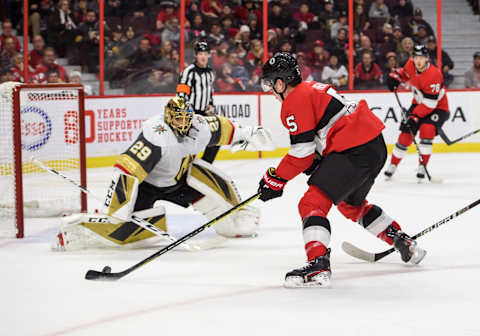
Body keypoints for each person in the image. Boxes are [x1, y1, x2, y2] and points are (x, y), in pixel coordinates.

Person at [258, 52, 426, 288]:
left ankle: (318, 265)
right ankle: (401, 240)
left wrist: (275, 179)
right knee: (351, 206)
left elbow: (302, 154)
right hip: (374, 145)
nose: (270, 91)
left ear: (280, 82)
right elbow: (318, 144)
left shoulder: (293, 101)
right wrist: (315, 164)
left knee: (310, 204)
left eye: (269, 84)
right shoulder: (312, 88)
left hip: (353, 148)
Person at [52, 96, 273, 251]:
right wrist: (116, 208)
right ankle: (77, 229)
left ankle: (234, 217)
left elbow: (223, 128)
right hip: (147, 185)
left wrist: (248, 133)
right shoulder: (156, 133)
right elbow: (127, 168)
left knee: (228, 214)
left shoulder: (199, 125)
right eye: (178, 119)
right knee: (126, 233)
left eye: (187, 117)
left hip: (182, 179)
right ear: (168, 118)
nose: (184, 123)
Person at [385, 45, 449, 181]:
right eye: (416, 57)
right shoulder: (411, 64)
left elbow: (430, 104)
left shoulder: (435, 74)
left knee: (427, 129)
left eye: (422, 58)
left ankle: (422, 165)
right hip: (418, 104)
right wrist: (395, 77)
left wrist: (414, 116)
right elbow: (404, 73)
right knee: (405, 135)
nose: (418, 61)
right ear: (412, 58)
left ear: (427, 59)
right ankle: (392, 165)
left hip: (438, 107)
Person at [176, 41, 218, 163]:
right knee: (189, 145)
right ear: (196, 55)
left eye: (205, 54)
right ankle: (183, 169)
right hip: (190, 114)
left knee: (215, 138)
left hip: (204, 114)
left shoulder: (210, 73)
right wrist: (187, 115)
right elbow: (181, 95)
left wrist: (211, 105)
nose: (203, 56)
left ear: (209, 55)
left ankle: (205, 166)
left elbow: (209, 92)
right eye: (200, 54)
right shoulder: (188, 72)